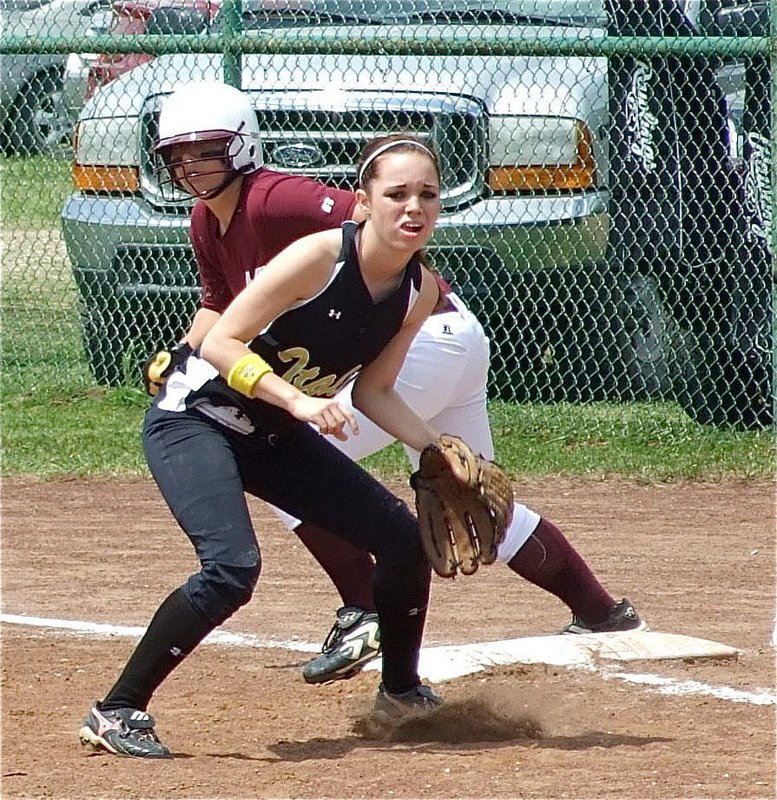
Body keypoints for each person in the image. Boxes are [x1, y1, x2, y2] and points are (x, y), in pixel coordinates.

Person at [142, 81, 646, 687]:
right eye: (179, 155)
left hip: (419, 331)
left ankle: (365, 611)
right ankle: (600, 611)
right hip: (437, 336)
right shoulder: (206, 220)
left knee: (288, 460)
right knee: (465, 488)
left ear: (242, 146)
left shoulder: (275, 198)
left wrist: (374, 287)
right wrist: (181, 356)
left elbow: (369, 218)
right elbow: (218, 308)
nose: (191, 166)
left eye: (206, 151)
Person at [79, 132, 449, 759]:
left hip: (272, 436)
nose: (413, 207)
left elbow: (374, 392)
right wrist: (297, 401)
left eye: (427, 195)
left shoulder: (421, 292)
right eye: (396, 194)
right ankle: (116, 710)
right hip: (196, 418)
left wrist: (435, 448)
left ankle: (401, 693)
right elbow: (220, 341)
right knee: (231, 569)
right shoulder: (319, 258)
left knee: (402, 541)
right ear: (363, 202)